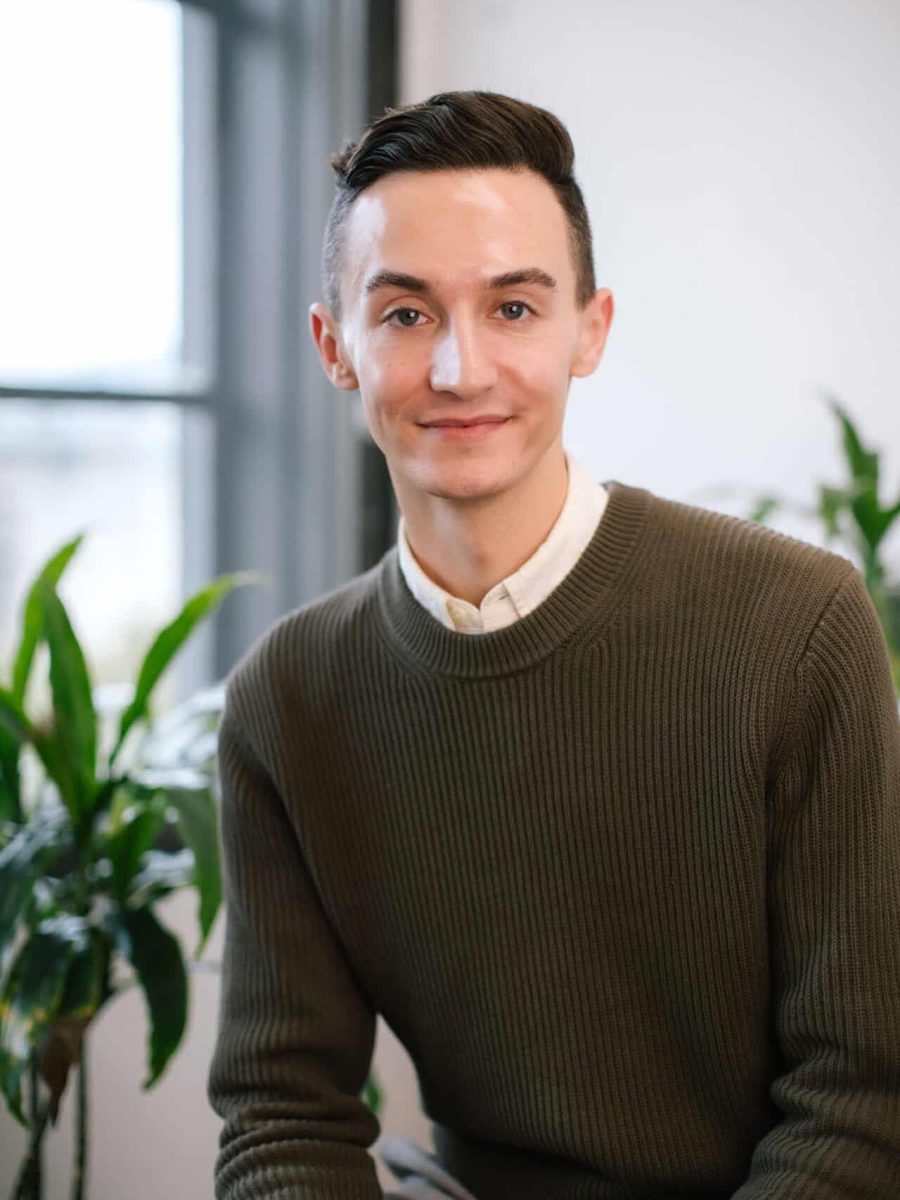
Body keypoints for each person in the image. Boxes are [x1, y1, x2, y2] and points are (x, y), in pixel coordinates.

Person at [206, 90, 900, 1200]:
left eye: (515, 310)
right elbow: (283, 1115)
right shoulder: (288, 701)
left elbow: (864, 1104)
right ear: (335, 346)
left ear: (592, 328)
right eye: (406, 315)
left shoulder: (797, 630)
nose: (461, 371)